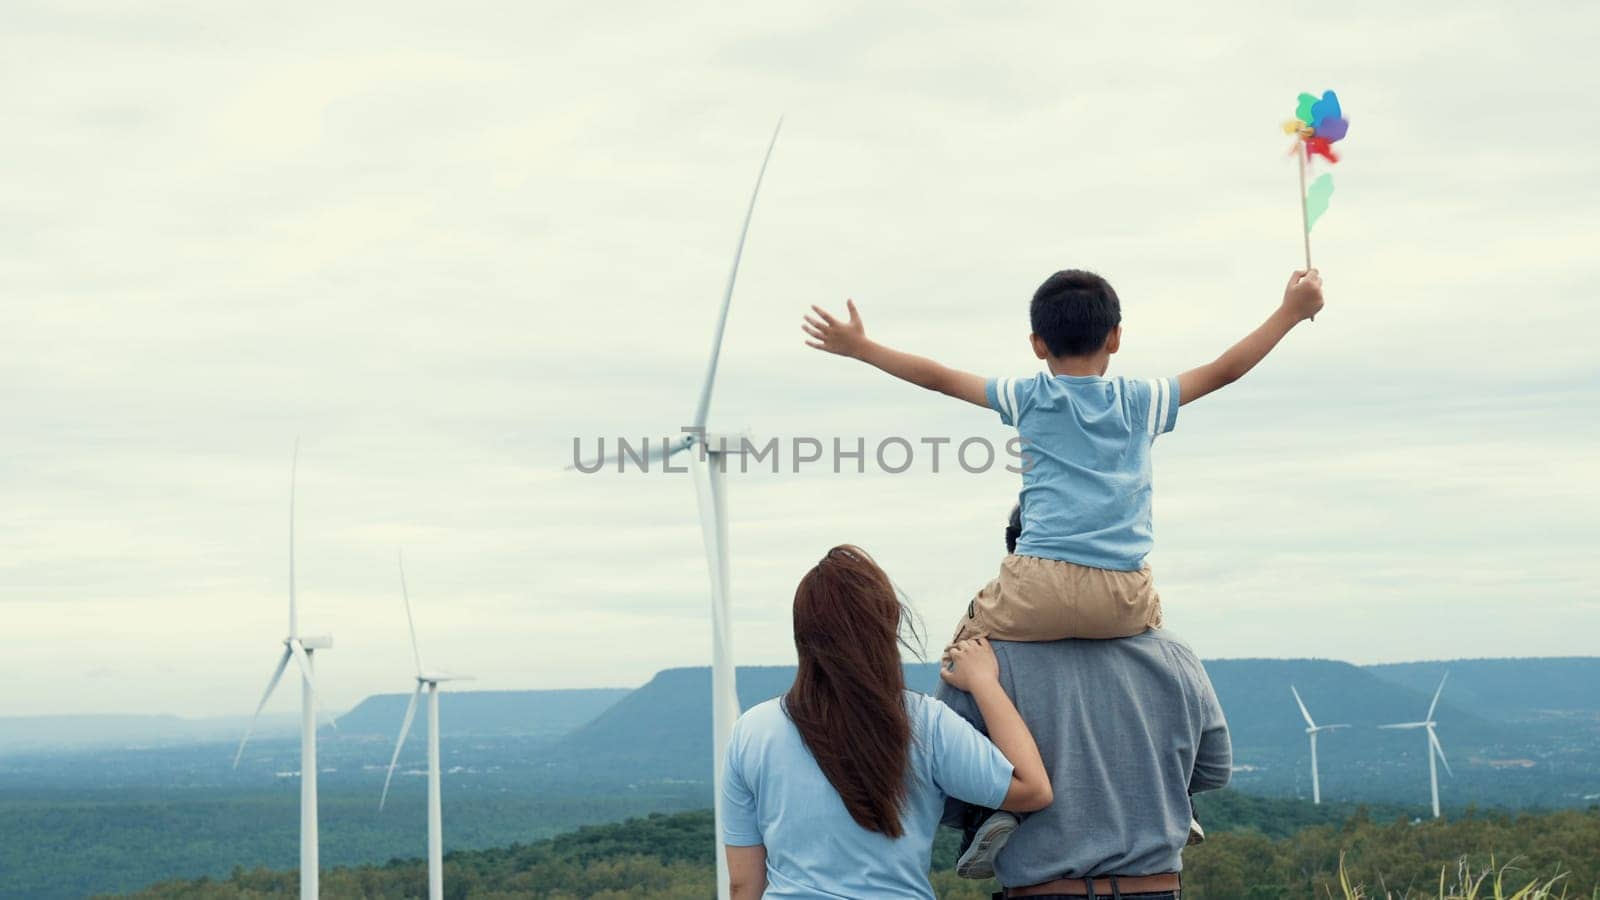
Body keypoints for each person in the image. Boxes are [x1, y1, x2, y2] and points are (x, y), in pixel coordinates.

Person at [803, 267, 1325, 645]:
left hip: (1038, 584)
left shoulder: (1028, 397)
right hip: (1124, 593)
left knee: (965, 652)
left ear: (1037, 343)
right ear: (1115, 337)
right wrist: (1290, 312)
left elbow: (938, 378)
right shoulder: (1141, 402)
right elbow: (1225, 369)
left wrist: (862, 348)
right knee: (1159, 646)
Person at [720, 545, 1053, 900]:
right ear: (887, 625)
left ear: (803, 635)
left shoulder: (751, 732)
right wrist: (984, 683)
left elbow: (744, 884)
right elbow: (1033, 789)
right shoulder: (925, 724)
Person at [936, 629, 1232, 898]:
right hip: (1155, 887)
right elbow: (1214, 769)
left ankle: (993, 817)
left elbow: (945, 789)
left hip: (1042, 889)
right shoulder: (1174, 653)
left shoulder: (983, 660)